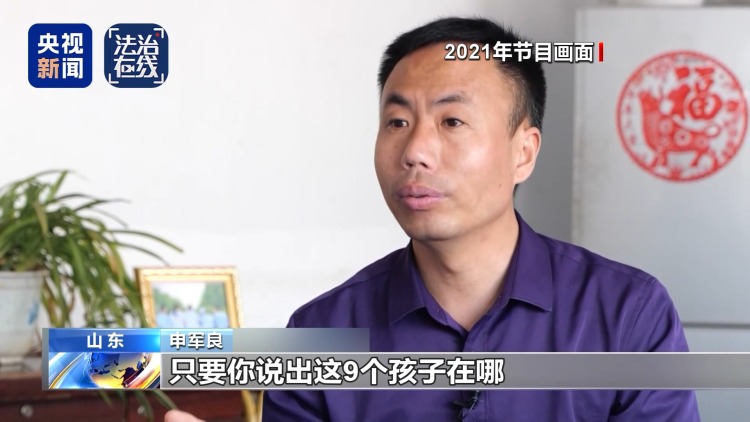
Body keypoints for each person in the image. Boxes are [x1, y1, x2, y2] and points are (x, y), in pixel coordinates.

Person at [166, 16, 700, 422]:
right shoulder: (320, 333)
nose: (415, 150)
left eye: (452, 121)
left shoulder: (626, 316)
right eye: (397, 121)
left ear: (523, 152)